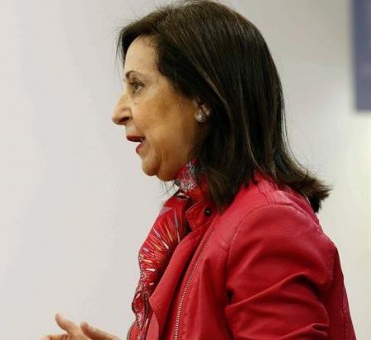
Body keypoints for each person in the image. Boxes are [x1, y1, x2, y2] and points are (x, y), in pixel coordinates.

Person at [42, 1, 356, 339]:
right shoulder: (198, 218)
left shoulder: (267, 222)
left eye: (136, 86)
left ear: (203, 98)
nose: (118, 112)